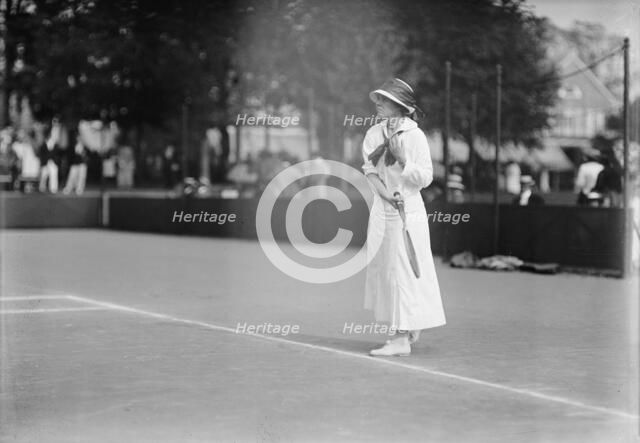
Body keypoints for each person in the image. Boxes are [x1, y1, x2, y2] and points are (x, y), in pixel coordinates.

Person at [362, 78, 446, 357]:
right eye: (378, 100)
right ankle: (406, 328)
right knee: (385, 269)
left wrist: (402, 161)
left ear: (399, 105)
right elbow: (370, 171)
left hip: (409, 211)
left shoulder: (415, 136)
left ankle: (400, 338)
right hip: (382, 210)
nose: (378, 104)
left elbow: (425, 177)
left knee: (405, 271)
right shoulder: (374, 133)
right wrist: (386, 196)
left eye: (383, 101)